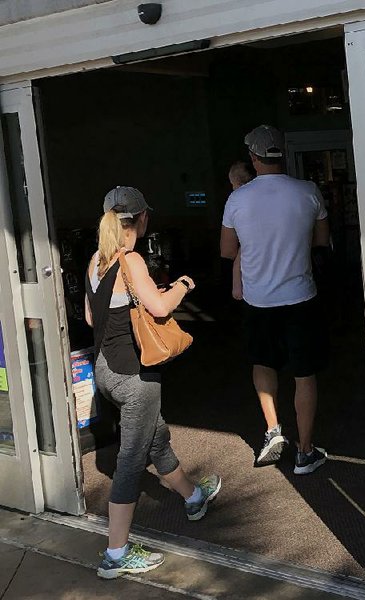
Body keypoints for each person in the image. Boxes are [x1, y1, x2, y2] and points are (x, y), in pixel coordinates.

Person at [85, 186, 222, 579]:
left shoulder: (96, 261)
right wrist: (182, 286)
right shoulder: (132, 261)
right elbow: (159, 307)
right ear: (142, 219)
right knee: (131, 460)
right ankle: (116, 554)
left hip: (106, 372)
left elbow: (96, 319)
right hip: (135, 376)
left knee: (155, 436)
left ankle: (193, 496)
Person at [220, 125, 330, 474]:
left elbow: (227, 250)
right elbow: (320, 241)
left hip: (258, 300)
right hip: (300, 297)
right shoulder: (308, 191)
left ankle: (273, 432)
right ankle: (305, 451)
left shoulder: (238, 198)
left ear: (253, 159)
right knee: (304, 373)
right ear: (282, 153)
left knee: (263, 365)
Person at [227, 161, 256, 301]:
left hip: (254, 288)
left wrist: (236, 285)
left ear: (236, 182)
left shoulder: (236, 200)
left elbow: (228, 251)